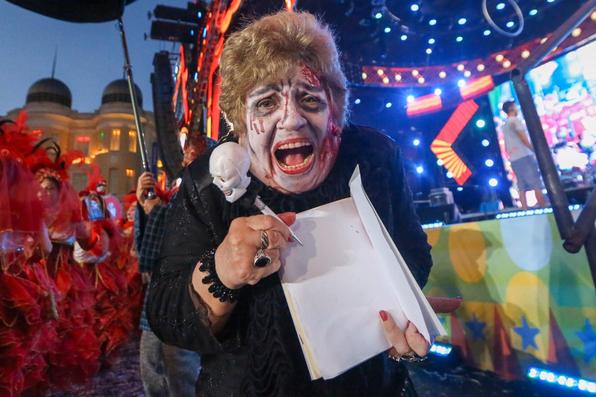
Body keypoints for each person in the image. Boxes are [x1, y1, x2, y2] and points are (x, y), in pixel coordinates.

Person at [147, 11, 439, 396]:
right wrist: (221, 271)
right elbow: (165, 315)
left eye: (308, 98)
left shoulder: (373, 160)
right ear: (238, 120)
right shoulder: (209, 185)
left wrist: (403, 311)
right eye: (266, 104)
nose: (292, 120)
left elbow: (414, 253)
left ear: (335, 106)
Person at [135, 171, 201, 397]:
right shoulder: (176, 190)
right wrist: (143, 204)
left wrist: (158, 212)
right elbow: (145, 248)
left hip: (186, 294)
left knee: (180, 368)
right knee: (150, 363)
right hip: (157, 294)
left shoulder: (210, 186)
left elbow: (194, 226)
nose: (186, 161)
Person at [501, 100, 546, 209]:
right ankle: (544, 208)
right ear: (511, 108)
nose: (517, 108)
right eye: (515, 106)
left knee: (522, 186)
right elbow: (522, 137)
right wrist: (534, 150)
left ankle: (525, 209)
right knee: (535, 183)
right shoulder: (515, 121)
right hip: (524, 155)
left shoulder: (505, 125)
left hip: (514, 158)